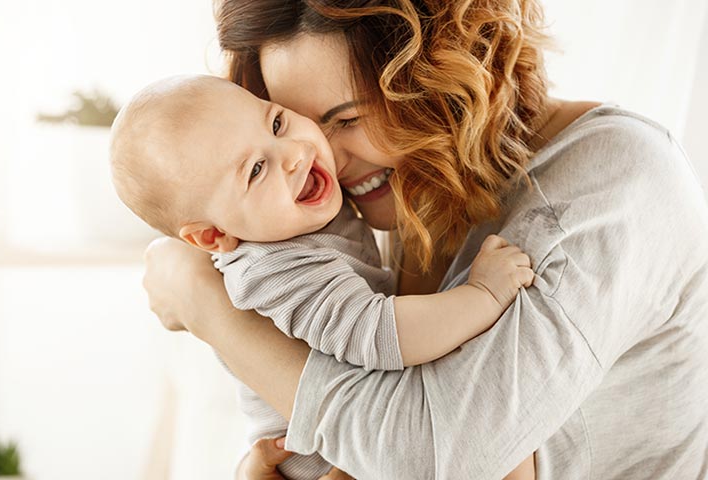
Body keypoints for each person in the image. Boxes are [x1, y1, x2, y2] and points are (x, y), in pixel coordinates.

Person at [142, 1, 708, 479]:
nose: (323, 160)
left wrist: (207, 306)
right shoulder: (412, 193)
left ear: (442, 76)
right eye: (291, 119)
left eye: (347, 119)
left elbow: (434, 453)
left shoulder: (614, 182)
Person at [110, 74, 535, 479]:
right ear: (214, 235)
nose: (293, 153)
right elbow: (379, 333)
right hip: (322, 466)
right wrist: (483, 293)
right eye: (256, 170)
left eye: (277, 122)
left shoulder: (294, 217)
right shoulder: (273, 270)